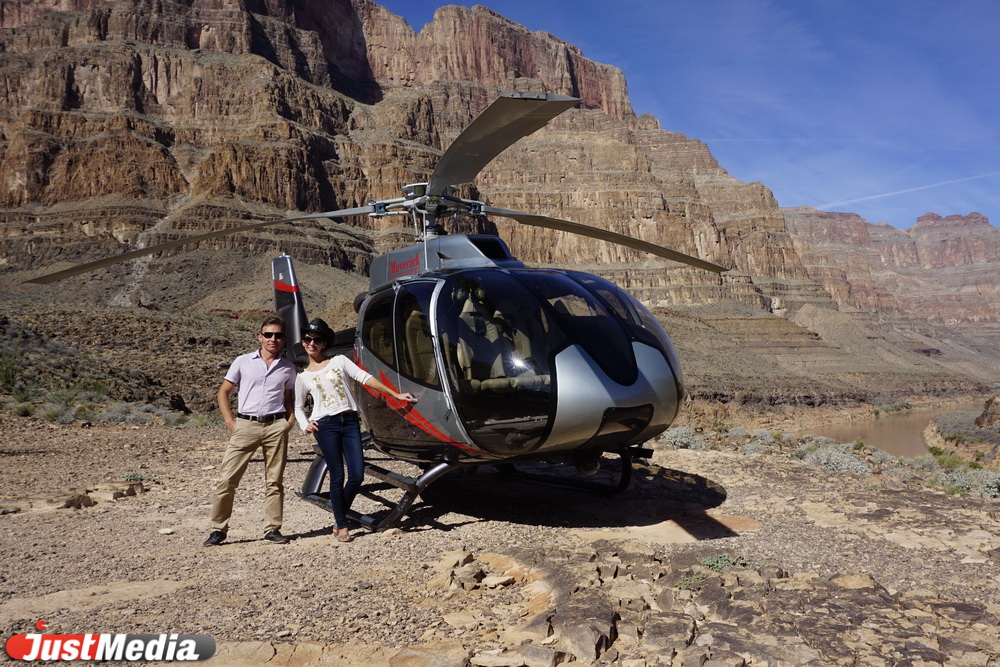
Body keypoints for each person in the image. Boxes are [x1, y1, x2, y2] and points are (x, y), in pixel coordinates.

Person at [294, 318, 414, 542]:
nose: (312, 343)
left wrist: (395, 394)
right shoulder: (303, 377)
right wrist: (305, 425)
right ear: (303, 342)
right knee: (337, 475)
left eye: (317, 339)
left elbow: (365, 378)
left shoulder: (339, 361)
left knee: (357, 475)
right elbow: (298, 407)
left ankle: (339, 512)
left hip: (349, 422)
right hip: (325, 426)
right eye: (307, 339)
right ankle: (341, 524)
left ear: (323, 343)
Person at [204, 315, 297, 547]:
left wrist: (289, 422)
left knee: (274, 481)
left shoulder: (287, 367)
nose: (272, 339)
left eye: (277, 335)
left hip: (276, 426)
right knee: (227, 479)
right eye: (268, 334)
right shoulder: (243, 361)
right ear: (260, 337)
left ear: (283, 339)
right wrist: (230, 421)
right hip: (245, 425)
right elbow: (223, 392)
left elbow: (289, 398)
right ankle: (218, 529)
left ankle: (272, 529)